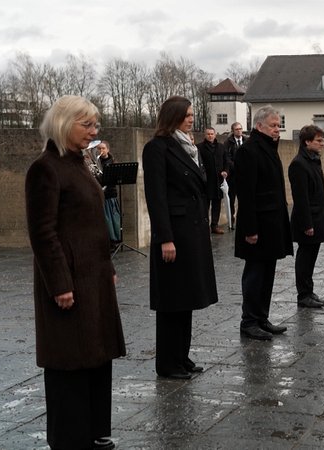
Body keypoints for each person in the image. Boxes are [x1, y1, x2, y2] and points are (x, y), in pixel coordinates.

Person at [25, 95, 125, 450]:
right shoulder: (46, 168)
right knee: (69, 361)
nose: (94, 132)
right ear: (64, 123)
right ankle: (70, 439)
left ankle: (93, 431)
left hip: (93, 276)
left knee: (95, 358)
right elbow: (43, 233)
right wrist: (59, 285)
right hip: (68, 279)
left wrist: (107, 266)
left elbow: (93, 224)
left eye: (95, 125)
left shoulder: (80, 163)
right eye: (87, 125)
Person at [142, 96, 219, 378]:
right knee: (172, 301)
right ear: (173, 116)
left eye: (192, 115)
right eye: (186, 115)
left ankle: (181, 356)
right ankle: (167, 363)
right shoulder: (157, 148)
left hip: (192, 232)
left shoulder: (189, 147)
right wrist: (165, 237)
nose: (191, 119)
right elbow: (156, 197)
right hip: (174, 234)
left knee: (186, 298)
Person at [234, 105, 293, 340]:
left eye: (279, 125)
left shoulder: (269, 147)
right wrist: (250, 229)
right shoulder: (248, 151)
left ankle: (261, 317)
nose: (277, 129)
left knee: (268, 272)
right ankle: (249, 321)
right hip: (257, 224)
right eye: (273, 125)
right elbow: (246, 193)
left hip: (272, 222)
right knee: (255, 273)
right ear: (259, 126)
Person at [288, 125, 324, 308]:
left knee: (311, 256)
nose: (322, 143)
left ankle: (309, 291)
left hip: (318, 216)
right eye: (318, 140)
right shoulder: (299, 164)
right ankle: (303, 295)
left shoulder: (313, 160)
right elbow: (301, 198)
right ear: (307, 142)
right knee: (305, 257)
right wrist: (307, 224)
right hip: (308, 219)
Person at [198, 127, 230, 234]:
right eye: (208, 134)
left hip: (218, 181)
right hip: (206, 181)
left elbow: (226, 161)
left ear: (215, 135)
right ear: (205, 135)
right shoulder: (199, 147)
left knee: (217, 205)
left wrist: (225, 171)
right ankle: (204, 227)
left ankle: (214, 226)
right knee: (205, 206)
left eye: (212, 134)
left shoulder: (221, 147)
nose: (210, 136)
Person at [96, 141, 122, 246]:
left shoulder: (113, 162)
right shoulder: (96, 162)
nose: (101, 150)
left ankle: (115, 240)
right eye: (99, 148)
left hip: (110, 194)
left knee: (112, 219)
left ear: (108, 149)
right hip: (100, 195)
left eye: (103, 148)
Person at [225, 122, 244, 228]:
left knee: (244, 199)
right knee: (232, 199)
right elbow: (227, 158)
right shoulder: (228, 142)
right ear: (233, 131)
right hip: (233, 176)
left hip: (244, 176)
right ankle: (231, 220)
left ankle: (243, 219)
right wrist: (236, 167)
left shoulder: (246, 140)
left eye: (240, 129)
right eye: (237, 129)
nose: (239, 131)